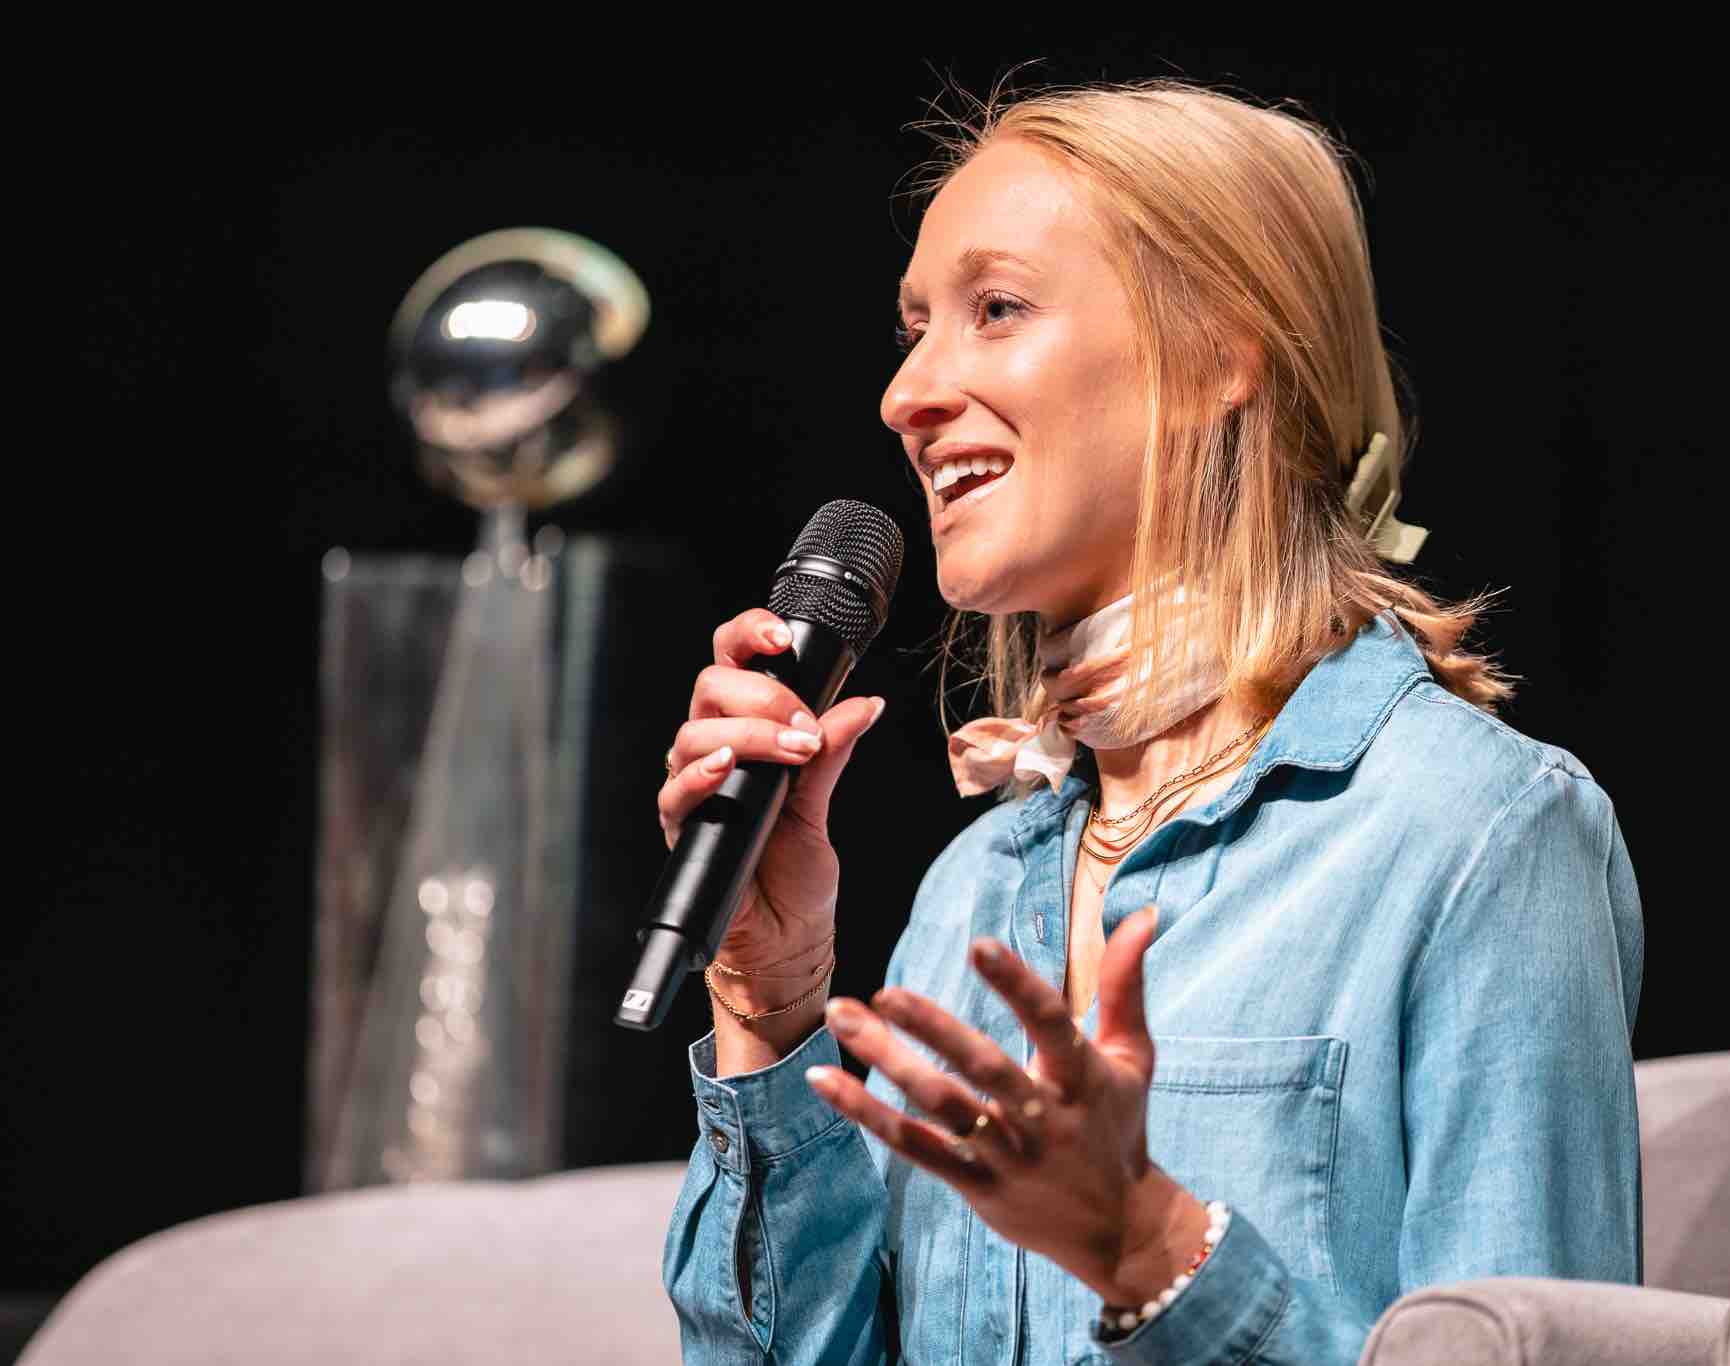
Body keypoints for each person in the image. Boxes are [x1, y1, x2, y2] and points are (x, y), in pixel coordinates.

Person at [658, 76, 1643, 1364]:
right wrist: (770, 994)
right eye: (912, 329)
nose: (908, 395)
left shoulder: (1473, 836)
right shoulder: (974, 885)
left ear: (1218, 354)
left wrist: (1150, 1251)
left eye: (995, 309)